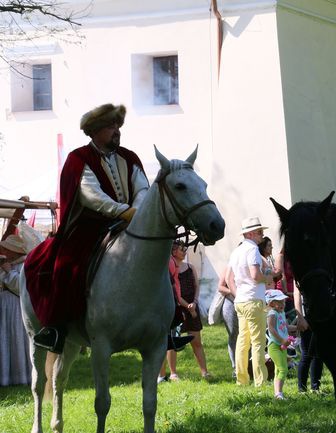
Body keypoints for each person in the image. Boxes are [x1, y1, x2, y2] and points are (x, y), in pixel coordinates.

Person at [24, 103, 189, 354]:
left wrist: (137, 213)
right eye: (110, 126)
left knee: (156, 263)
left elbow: (142, 189)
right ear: (95, 130)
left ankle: (166, 326)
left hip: (128, 224)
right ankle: (56, 327)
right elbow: (92, 196)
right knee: (67, 265)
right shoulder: (78, 158)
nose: (116, 131)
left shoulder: (129, 157)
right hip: (88, 229)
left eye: (117, 126)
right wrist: (126, 211)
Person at [227, 216, 274, 386]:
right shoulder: (253, 249)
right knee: (258, 342)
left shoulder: (236, 251)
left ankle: (242, 380)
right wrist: (267, 278)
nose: (262, 235)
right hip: (254, 300)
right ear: (251, 233)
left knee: (242, 341)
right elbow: (255, 276)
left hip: (241, 300)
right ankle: (260, 381)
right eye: (260, 231)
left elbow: (229, 277)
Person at [159, 241, 211, 382]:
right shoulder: (169, 268)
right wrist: (186, 305)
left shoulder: (190, 267)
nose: (184, 251)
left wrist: (193, 303)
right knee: (173, 342)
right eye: (182, 249)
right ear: (173, 251)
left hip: (192, 306)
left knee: (196, 340)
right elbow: (175, 291)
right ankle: (173, 373)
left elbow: (196, 285)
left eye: (185, 249)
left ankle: (204, 372)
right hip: (176, 306)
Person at [0, 234, 31, 386]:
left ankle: (20, 377)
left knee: (16, 339)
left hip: (17, 309)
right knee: (4, 339)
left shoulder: (24, 264)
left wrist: (9, 273)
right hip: (4, 308)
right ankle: (5, 376)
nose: (3, 249)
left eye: (6, 247)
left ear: (13, 250)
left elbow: (22, 288)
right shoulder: (6, 263)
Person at [265, 289, 297, 400]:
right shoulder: (272, 313)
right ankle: (279, 394)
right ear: (271, 303)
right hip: (274, 346)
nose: (282, 304)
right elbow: (271, 329)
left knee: (278, 370)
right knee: (283, 369)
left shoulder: (281, 313)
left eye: (283, 302)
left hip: (282, 346)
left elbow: (286, 327)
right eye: (279, 302)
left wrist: (298, 327)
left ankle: (278, 394)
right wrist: (282, 340)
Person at [294, 285, 324, 393]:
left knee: (319, 353)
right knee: (306, 354)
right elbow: (296, 293)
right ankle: (302, 389)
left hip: (320, 316)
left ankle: (315, 387)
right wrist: (300, 317)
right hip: (306, 317)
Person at [217, 265, 239, 379]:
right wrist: (234, 292)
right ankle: (235, 367)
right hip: (230, 304)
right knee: (233, 335)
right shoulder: (229, 266)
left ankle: (247, 365)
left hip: (245, 304)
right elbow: (220, 287)